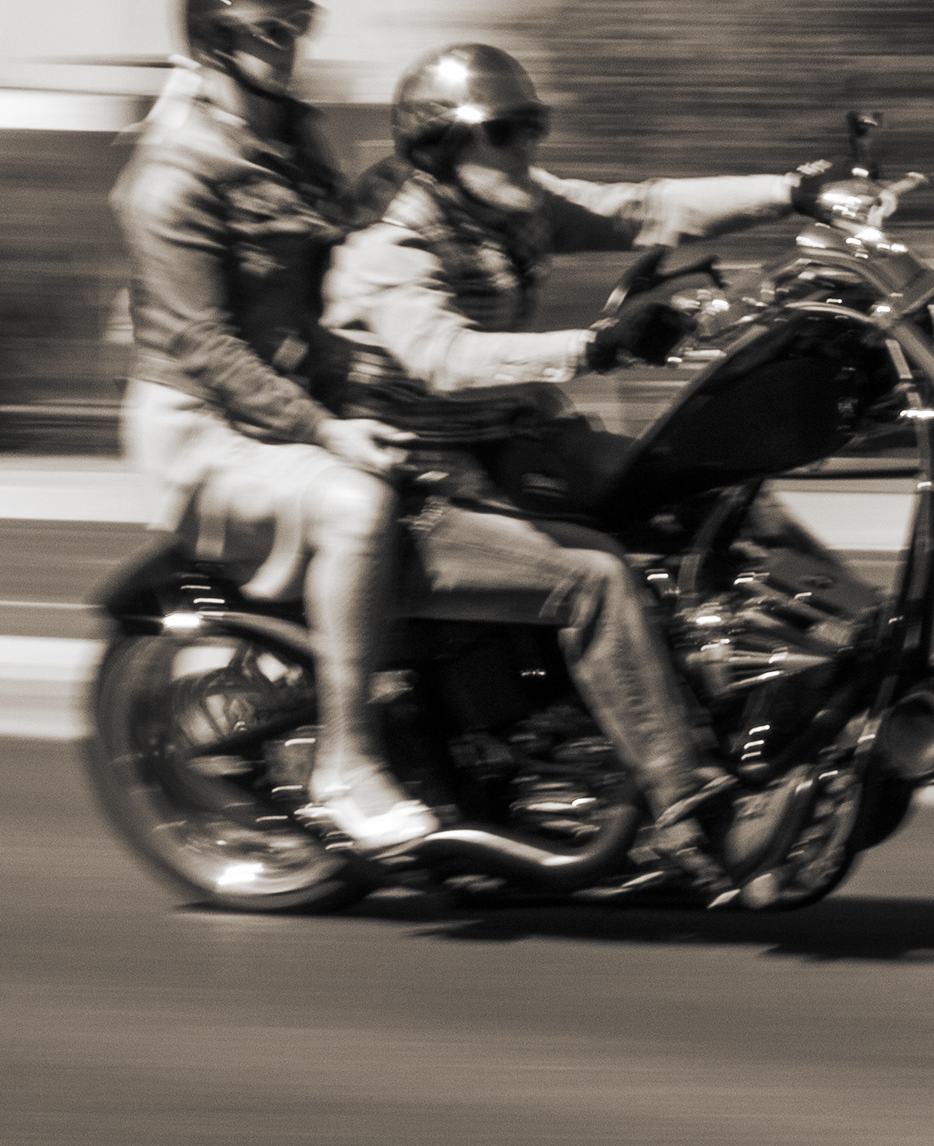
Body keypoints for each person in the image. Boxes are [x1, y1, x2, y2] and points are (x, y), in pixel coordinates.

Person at [320, 43, 830, 896]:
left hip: (503, 440)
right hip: (413, 481)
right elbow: (442, 356)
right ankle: (688, 813)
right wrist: (593, 347)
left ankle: (827, 678)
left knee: (703, 482)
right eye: (506, 131)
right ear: (441, 142)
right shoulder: (391, 239)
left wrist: (794, 190)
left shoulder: (513, 202)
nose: (527, 145)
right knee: (596, 580)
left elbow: (646, 206)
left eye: (534, 126)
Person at [109, 0, 437, 856]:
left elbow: (335, 255)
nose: (290, 44)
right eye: (270, 29)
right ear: (217, 40)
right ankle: (346, 766)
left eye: (299, 25)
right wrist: (329, 427)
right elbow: (203, 345)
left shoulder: (295, 134)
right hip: (201, 426)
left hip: (287, 402)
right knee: (359, 507)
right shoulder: (172, 174)